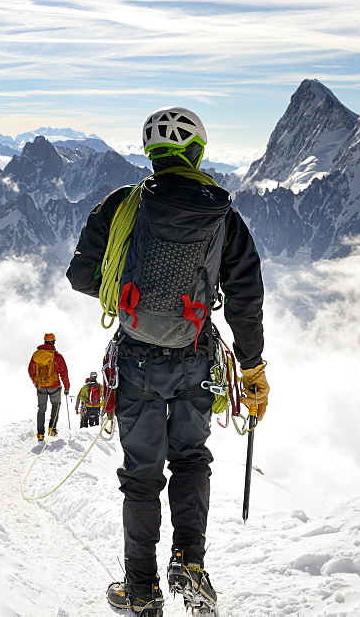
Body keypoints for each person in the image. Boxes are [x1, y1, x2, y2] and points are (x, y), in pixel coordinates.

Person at [66, 107, 268, 616]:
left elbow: (80, 275)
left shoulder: (121, 205)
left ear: (151, 152)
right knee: (191, 459)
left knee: (141, 477)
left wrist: (127, 295)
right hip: (197, 359)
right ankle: (190, 564)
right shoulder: (223, 214)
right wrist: (253, 369)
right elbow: (245, 296)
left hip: (134, 361)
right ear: (197, 151)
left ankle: (140, 591)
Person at [27, 333, 71, 441]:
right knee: (56, 405)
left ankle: (40, 434)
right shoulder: (57, 356)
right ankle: (52, 429)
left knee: (41, 409)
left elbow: (30, 370)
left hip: (41, 386)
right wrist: (66, 387)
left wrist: (36, 382)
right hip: (54, 386)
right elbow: (64, 372)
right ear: (54, 342)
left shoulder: (36, 355)